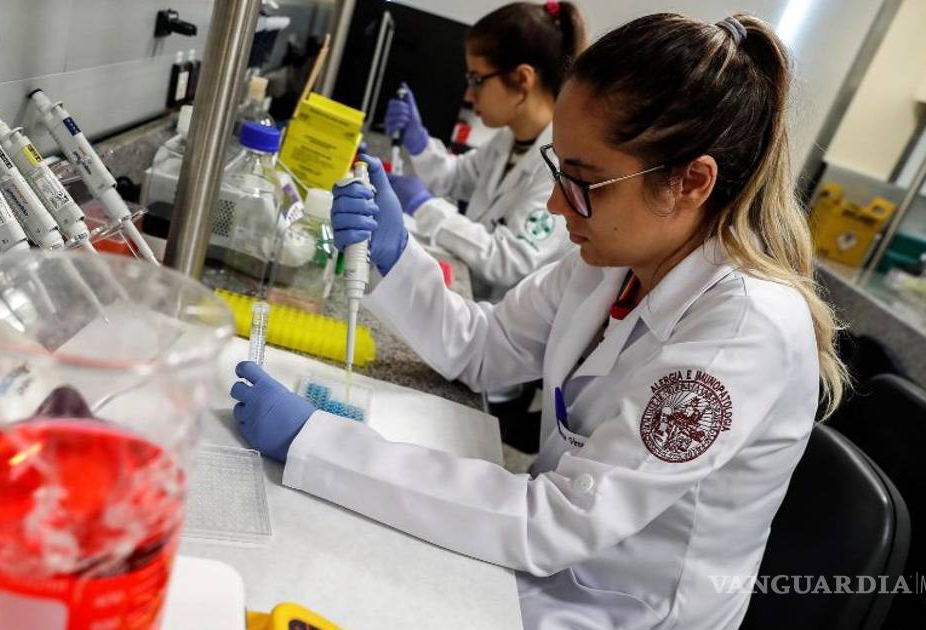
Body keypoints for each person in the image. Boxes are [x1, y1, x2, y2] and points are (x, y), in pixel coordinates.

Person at [230, 13, 847, 629]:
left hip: (619, 611)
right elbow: (483, 349)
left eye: (584, 182)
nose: (556, 204)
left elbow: (556, 521)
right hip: (535, 565)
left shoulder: (745, 330)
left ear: (691, 182)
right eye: (559, 171)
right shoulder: (616, 259)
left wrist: (317, 442)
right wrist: (397, 256)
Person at [385, 1, 587, 302]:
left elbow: (511, 260)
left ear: (523, 79)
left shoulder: (561, 164)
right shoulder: (508, 139)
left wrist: (425, 207)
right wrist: (420, 144)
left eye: (477, 80)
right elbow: (455, 178)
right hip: (471, 299)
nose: (469, 94)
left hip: (506, 320)